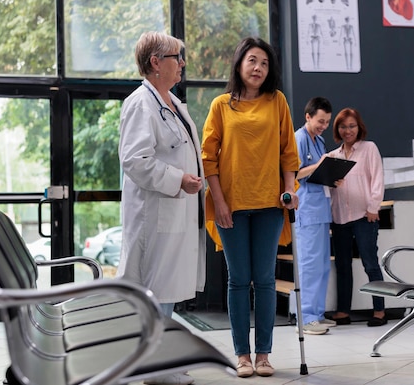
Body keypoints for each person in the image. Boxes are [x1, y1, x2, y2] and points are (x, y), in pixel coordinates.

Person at [201, 36, 299, 378]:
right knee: (239, 281)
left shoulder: (278, 102)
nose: (258, 68)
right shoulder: (221, 105)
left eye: (265, 63)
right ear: (239, 64)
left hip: (271, 203)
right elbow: (208, 158)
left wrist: (290, 188)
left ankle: (264, 355)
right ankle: (242, 355)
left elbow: (288, 152)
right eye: (252, 61)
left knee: (265, 280)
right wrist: (220, 202)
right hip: (232, 204)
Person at [117, 31, 205, 385]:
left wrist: (190, 179)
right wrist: (177, 179)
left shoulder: (171, 102)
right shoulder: (141, 103)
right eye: (176, 57)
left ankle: (161, 360)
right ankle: (154, 369)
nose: (182, 63)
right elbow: (134, 160)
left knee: (165, 292)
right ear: (155, 62)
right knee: (155, 292)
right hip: (155, 216)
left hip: (176, 213)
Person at [328, 108, 387, 327]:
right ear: (338, 129)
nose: (347, 130)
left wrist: (374, 206)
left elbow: (377, 179)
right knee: (342, 265)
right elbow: (327, 185)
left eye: (351, 126)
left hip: (365, 215)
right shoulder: (333, 156)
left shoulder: (369, 148)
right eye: (343, 127)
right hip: (340, 218)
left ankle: (379, 311)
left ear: (358, 126)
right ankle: (343, 311)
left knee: (370, 263)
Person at [294, 96, 335, 335]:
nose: (324, 126)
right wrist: (321, 165)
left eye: (327, 122)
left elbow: (320, 170)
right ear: (308, 116)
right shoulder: (299, 139)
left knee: (321, 266)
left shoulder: (319, 140)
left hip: (321, 209)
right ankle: (306, 317)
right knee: (309, 266)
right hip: (307, 209)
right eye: (320, 121)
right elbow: (293, 173)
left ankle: (317, 315)